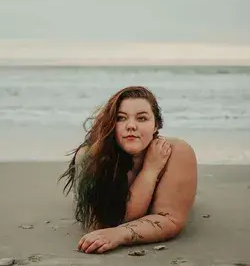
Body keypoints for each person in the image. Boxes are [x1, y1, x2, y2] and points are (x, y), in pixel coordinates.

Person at [59, 86, 197, 254]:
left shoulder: (175, 151)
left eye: (142, 118)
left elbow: (170, 220)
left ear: (156, 125)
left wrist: (119, 234)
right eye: (121, 118)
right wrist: (150, 170)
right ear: (111, 124)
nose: (131, 126)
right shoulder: (90, 156)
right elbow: (98, 224)